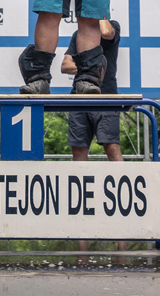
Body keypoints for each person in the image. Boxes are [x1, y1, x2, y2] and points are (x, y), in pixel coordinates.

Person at [63, 18, 128, 253]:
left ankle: (124, 198)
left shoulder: (111, 25)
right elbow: (65, 65)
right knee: (79, 151)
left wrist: (98, 11)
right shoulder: (78, 34)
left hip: (106, 96)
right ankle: (81, 200)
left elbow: (107, 33)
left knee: (112, 147)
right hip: (78, 97)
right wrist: (89, 67)